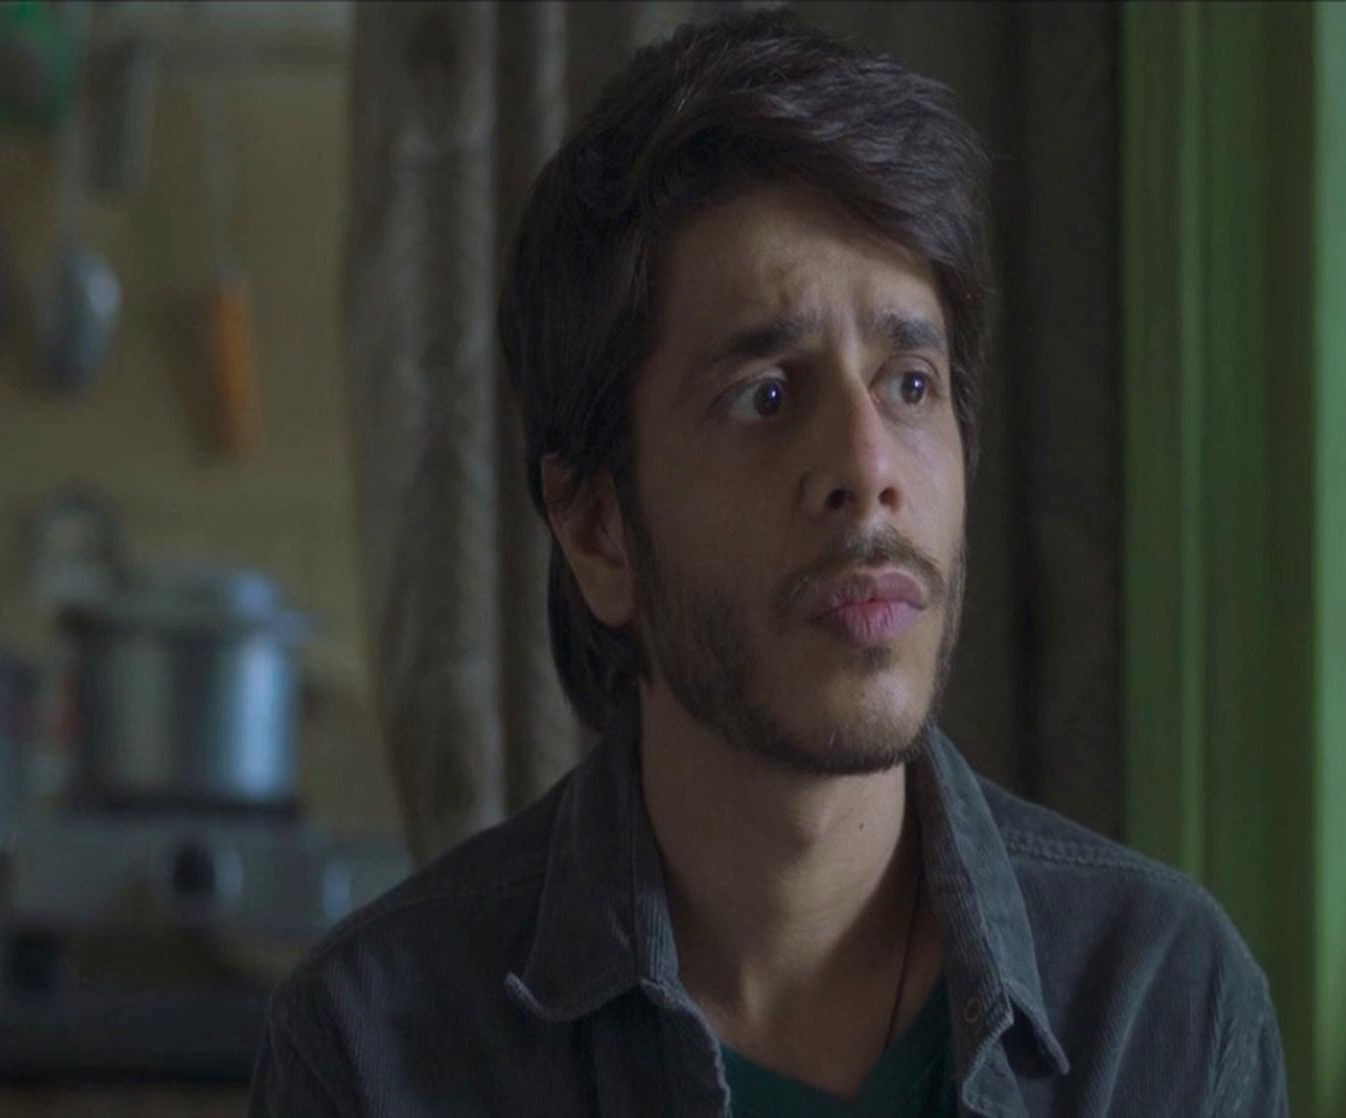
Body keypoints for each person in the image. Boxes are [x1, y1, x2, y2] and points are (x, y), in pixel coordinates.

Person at [249, 9, 1287, 1116]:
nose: (867, 469)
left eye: (910, 385)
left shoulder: (1160, 1003)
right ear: (597, 528)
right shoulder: (377, 1049)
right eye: (767, 396)